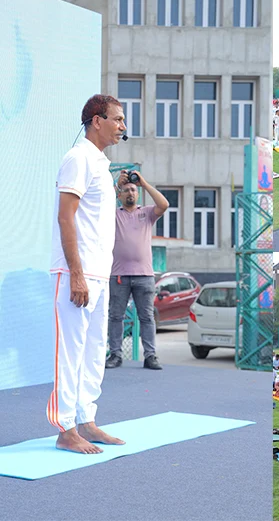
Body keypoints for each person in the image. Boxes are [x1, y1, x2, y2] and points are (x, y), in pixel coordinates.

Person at [48, 94, 127, 454]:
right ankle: (65, 427)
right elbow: (67, 217)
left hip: (100, 272)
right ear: (97, 120)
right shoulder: (78, 157)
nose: (123, 126)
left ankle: (87, 420)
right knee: (72, 352)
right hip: (76, 273)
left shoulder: (100, 162)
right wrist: (76, 274)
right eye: (118, 119)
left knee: (94, 351)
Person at [104, 170, 168, 370]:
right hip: (119, 275)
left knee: (147, 317)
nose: (130, 192)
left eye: (133, 189)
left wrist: (143, 183)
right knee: (115, 316)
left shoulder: (146, 213)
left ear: (138, 193)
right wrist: (115, 186)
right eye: (126, 190)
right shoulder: (112, 215)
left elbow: (164, 204)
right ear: (120, 196)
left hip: (144, 275)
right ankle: (115, 354)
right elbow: (99, 205)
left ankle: (150, 356)